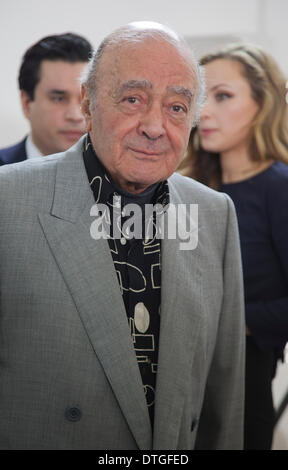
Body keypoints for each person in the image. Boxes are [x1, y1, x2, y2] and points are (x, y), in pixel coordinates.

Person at [0, 22, 245, 450]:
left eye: (176, 107)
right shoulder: (8, 201)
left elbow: (224, 398)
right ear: (88, 103)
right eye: (134, 99)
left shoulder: (214, 214)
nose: (155, 126)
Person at [179, 43, 288, 450]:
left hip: (244, 378)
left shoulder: (280, 188)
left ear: (263, 103)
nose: (203, 111)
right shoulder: (192, 185)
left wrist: (234, 321)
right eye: (199, 97)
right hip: (183, 375)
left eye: (222, 96)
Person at [0, 32, 92, 165]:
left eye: (85, 100)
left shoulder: (119, 178)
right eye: (59, 99)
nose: (76, 116)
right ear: (26, 103)